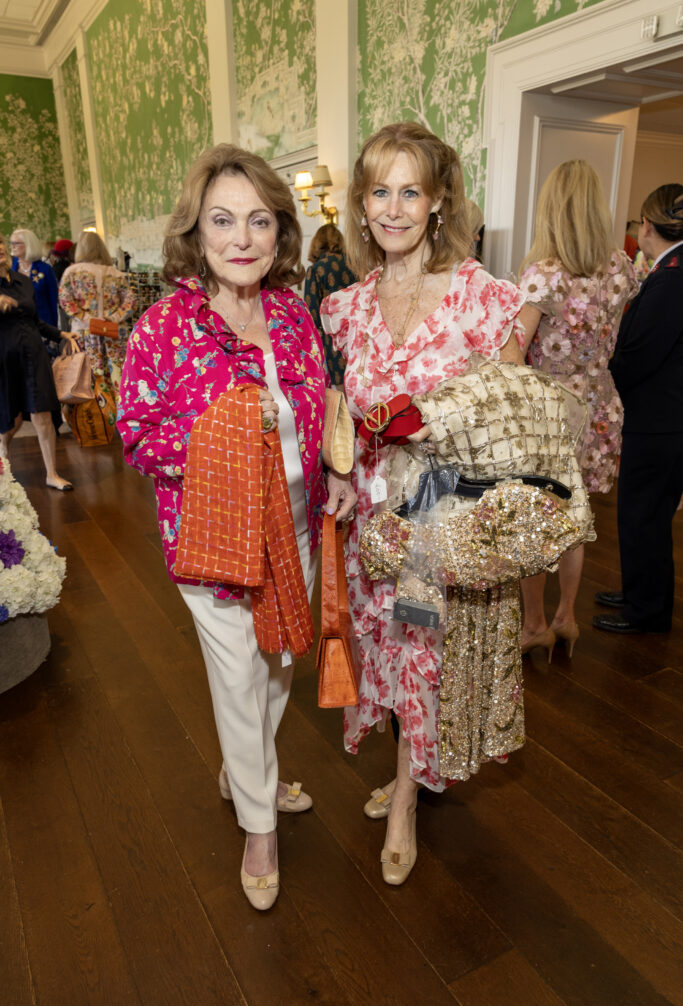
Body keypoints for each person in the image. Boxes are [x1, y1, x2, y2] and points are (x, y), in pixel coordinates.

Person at [118, 143, 355, 910]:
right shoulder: (162, 326)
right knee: (238, 673)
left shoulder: (291, 311)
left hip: (294, 521)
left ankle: (242, 768)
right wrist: (219, 443)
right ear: (197, 230)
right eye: (223, 221)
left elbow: (319, 400)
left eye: (258, 220)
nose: (242, 239)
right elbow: (137, 431)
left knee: (280, 659)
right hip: (214, 531)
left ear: (281, 233)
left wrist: (339, 467)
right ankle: (258, 823)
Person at [320, 121, 532, 886]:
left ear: (439, 200)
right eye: (379, 191)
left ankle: (407, 798)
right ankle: (410, 764)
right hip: (372, 519)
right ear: (361, 202)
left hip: (442, 518)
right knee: (384, 649)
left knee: (422, 649)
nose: (394, 208)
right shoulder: (344, 306)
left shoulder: (483, 298)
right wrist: (339, 467)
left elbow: (512, 414)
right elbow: (342, 404)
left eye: (411, 191)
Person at [517, 159, 638, 659]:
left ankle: (535, 624)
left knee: (533, 521)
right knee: (575, 520)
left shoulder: (544, 275)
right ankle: (567, 617)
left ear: (551, 209)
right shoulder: (621, 267)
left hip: (549, 412)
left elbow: (512, 350)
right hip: (600, 405)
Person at [594, 183, 683, 635]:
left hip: (659, 421)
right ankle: (639, 593)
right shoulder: (670, 268)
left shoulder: (671, 277)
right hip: (666, 418)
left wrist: (606, 376)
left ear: (647, 225)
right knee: (644, 514)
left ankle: (646, 610)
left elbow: (643, 352)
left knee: (643, 515)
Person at [0, 233, 79, 490]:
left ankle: (52, 473)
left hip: (34, 354)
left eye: (2, 244)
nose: (1, 248)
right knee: (11, 422)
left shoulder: (23, 281)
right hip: (5, 359)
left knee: (41, 413)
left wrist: (60, 334)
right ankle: (3, 465)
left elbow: (35, 320)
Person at [58, 230, 136, 405]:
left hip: (84, 332)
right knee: (117, 373)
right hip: (113, 332)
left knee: (85, 375)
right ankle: (118, 413)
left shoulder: (71, 272)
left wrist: (87, 318)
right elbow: (131, 302)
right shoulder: (115, 273)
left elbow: (65, 301)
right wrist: (114, 317)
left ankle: (92, 417)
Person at [303, 223, 356, 385]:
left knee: (336, 397)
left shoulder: (316, 270)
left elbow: (310, 314)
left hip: (330, 342)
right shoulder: (354, 264)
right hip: (355, 335)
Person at [10, 228, 60, 353]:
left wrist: (55, 331)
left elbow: (54, 301)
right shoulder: (10, 268)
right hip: (17, 330)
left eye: (16, 243)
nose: (12, 246)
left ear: (28, 244)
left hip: (44, 327)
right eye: (11, 243)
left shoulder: (45, 269)